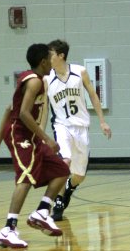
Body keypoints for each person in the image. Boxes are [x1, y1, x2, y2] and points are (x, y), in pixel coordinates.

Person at [0, 43, 70, 249]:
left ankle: (42, 211)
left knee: (62, 170)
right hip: (20, 134)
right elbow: (22, 113)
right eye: (50, 59)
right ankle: (8, 229)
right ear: (43, 62)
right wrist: (47, 138)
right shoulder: (33, 82)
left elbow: (9, 108)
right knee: (24, 178)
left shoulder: (39, 80)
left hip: (31, 136)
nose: (53, 62)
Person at [45, 39, 112, 221]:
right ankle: (57, 201)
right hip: (61, 125)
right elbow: (44, 108)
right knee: (64, 162)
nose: (48, 58)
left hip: (81, 126)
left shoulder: (80, 72)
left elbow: (92, 94)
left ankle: (68, 189)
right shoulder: (46, 78)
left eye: (50, 54)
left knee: (79, 176)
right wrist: (41, 134)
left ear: (61, 56)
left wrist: (102, 121)